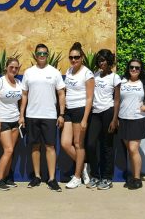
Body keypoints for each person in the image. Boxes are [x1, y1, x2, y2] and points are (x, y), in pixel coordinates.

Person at [20, 43, 66, 192]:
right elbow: (24, 95)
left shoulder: (54, 72)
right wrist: (22, 115)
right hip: (32, 115)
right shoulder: (28, 72)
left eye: (44, 54)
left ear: (48, 55)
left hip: (50, 116)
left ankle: (52, 179)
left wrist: (61, 114)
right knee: (34, 146)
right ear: (35, 55)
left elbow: (61, 94)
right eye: (39, 53)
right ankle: (37, 177)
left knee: (50, 147)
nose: (41, 56)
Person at [85, 49, 121, 190]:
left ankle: (106, 177)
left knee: (107, 146)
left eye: (104, 60)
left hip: (108, 112)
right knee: (91, 144)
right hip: (95, 113)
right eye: (99, 60)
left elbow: (117, 100)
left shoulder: (115, 78)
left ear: (109, 62)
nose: (101, 63)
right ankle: (94, 175)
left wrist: (114, 119)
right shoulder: (96, 75)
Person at [60, 42, 94, 189]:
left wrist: (85, 118)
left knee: (78, 144)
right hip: (69, 110)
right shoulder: (69, 71)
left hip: (81, 110)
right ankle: (84, 166)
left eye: (76, 57)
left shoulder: (87, 73)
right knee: (65, 143)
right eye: (71, 57)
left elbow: (90, 98)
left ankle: (77, 176)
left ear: (82, 57)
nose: (74, 60)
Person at [118, 58, 145, 190]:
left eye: (137, 68)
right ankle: (133, 176)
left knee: (133, 149)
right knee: (130, 150)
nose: (134, 69)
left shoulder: (144, 83)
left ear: (141, 70)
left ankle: (137, 179)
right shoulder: (121, 81)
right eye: (131, 67)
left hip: (138, 119)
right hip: (123, 118)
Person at [0, 57, 24, 190]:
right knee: (8, 150)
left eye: (16, 68)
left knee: (11, 151)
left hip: (15, 121)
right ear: (6, 67)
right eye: (11, 67)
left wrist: (21, 116)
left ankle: (6, 178)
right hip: (2, 121)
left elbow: (21, 101)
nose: (14, 70)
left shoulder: (19, 82)